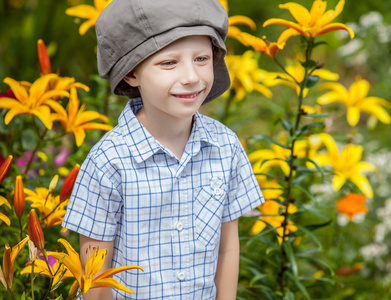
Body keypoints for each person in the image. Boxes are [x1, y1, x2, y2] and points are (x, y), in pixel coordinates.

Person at [62, 0, 264, 299]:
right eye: (169, 63)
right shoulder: (109, 162)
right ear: (131, 74)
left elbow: (227, 247)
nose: (192, 77)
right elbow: (95, 273)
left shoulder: (226, 146)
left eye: (201, 59)